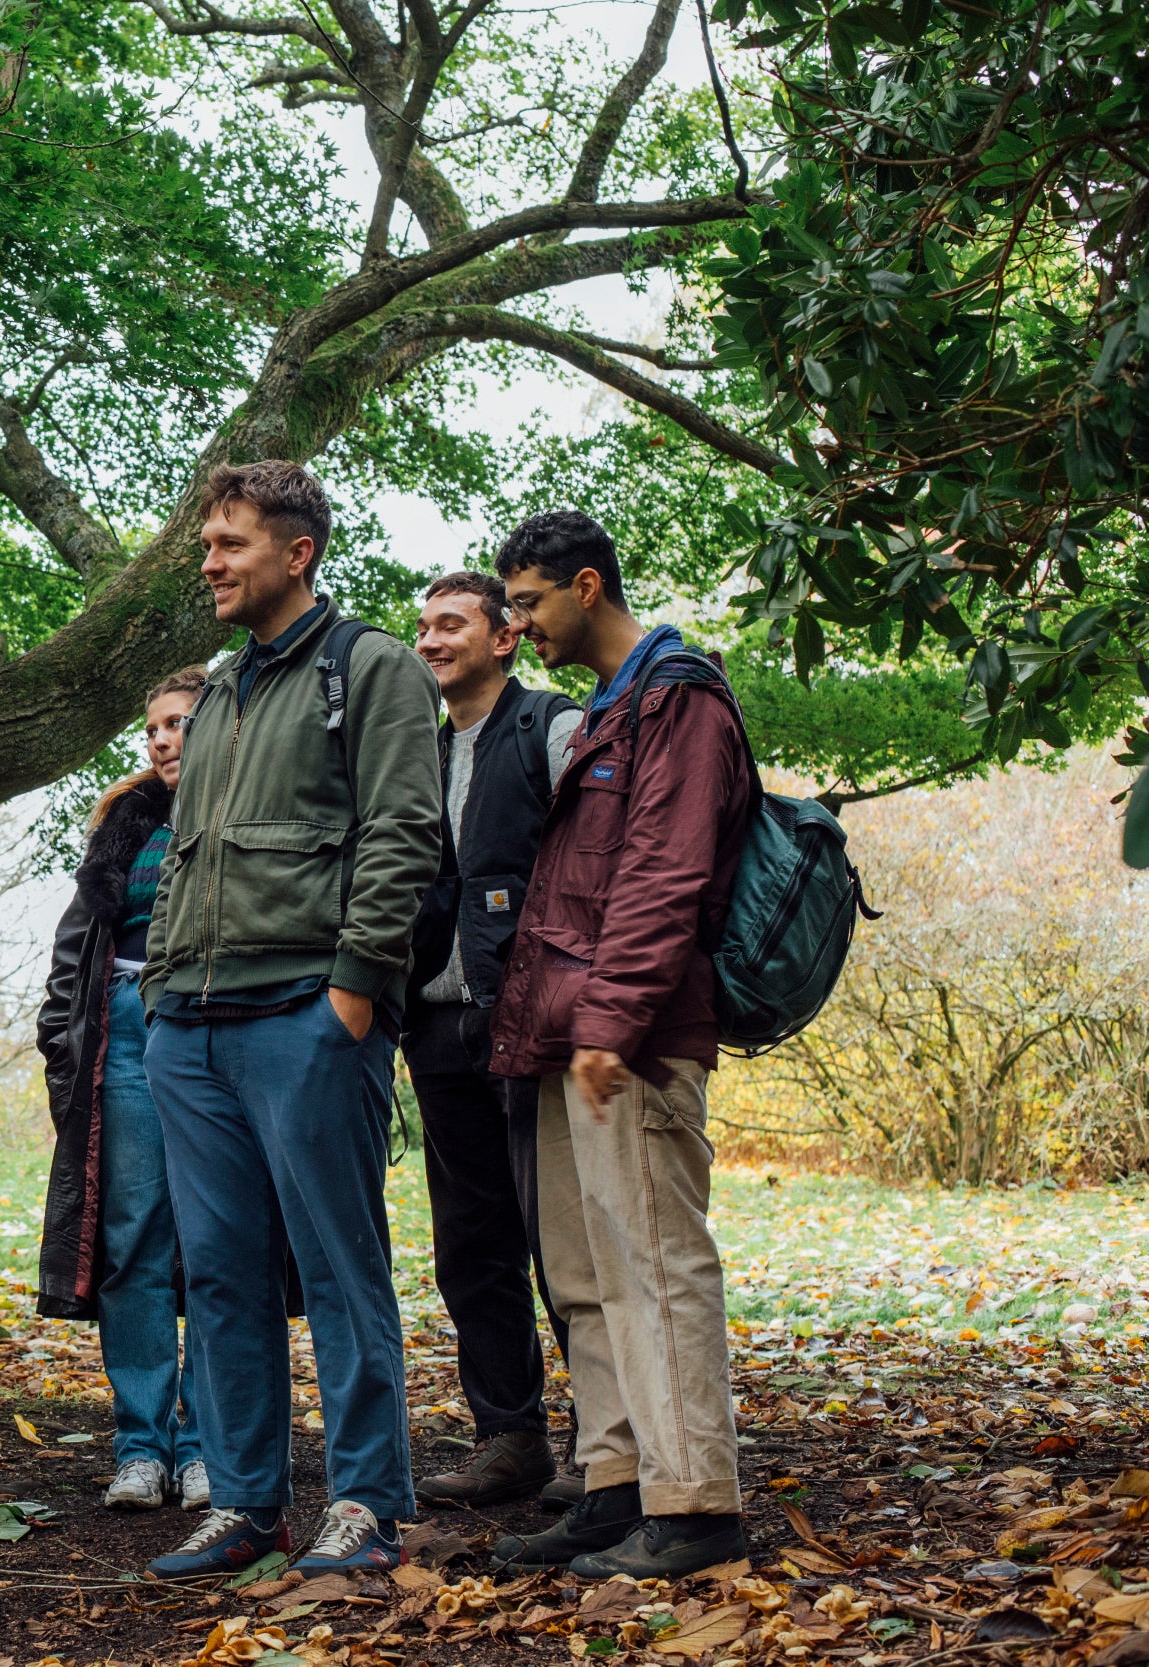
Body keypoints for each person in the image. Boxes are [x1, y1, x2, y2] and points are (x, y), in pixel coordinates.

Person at [138, 461, 444, 1581]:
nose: (209, 562)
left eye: (228, 543)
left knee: (337, 1263)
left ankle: (364, 1499)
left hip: (309, 1015)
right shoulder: (216, 690)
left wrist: (355, 985)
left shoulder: (372, 667)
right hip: (192, 1024)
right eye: (208, 544)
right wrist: (159, 998)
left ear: (296, 551)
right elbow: (187, 851)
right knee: (218, 1275)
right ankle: (246, 1504)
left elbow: (405, 829)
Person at [484, 510, 754, 1579]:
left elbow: (661, 874)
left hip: (630, 1037)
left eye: (529, 604)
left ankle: (694, 1504)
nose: (520, 626)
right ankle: (614, 1484)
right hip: (568, 1039)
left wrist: (607, 1022)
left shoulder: (677, 696)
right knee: (585, 1276)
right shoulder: (608, 706)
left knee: (653, 1263)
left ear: (586, 585)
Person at [403, 573, 583, 1510]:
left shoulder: (551, 727)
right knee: (471, 1243)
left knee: (564, 1235)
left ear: (506, 636)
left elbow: (598, 856)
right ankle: (509, 1437)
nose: (430, 639)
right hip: (436, 1027)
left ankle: (607, 1439)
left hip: (532, 1025)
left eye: (451, 623)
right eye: (422, 625)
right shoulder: (417, 754)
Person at [37, 668, 212, 1515]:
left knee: (220, 1239)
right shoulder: (123, 823)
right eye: (154, 729)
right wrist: (63, 1057)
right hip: (128, 1031)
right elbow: (74, 952)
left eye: (181, 722)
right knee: (134, 1239)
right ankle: (143, 1446)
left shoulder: (248, 806)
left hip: (220, 1026)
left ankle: (215, 1445)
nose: (163, 739)